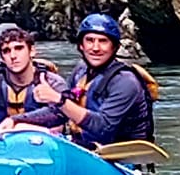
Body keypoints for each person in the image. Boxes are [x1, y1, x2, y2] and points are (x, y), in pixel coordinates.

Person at [32, 13, 157, 147]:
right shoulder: (80, 71)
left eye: (103, 41)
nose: (96, 48)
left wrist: (58, 99)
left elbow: (104, 127)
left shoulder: (126, 81)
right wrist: (18, 121)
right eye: (90, 40)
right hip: (85, 146)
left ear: (114, 47)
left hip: (121, 152)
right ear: (81, 45)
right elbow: (59, 113)